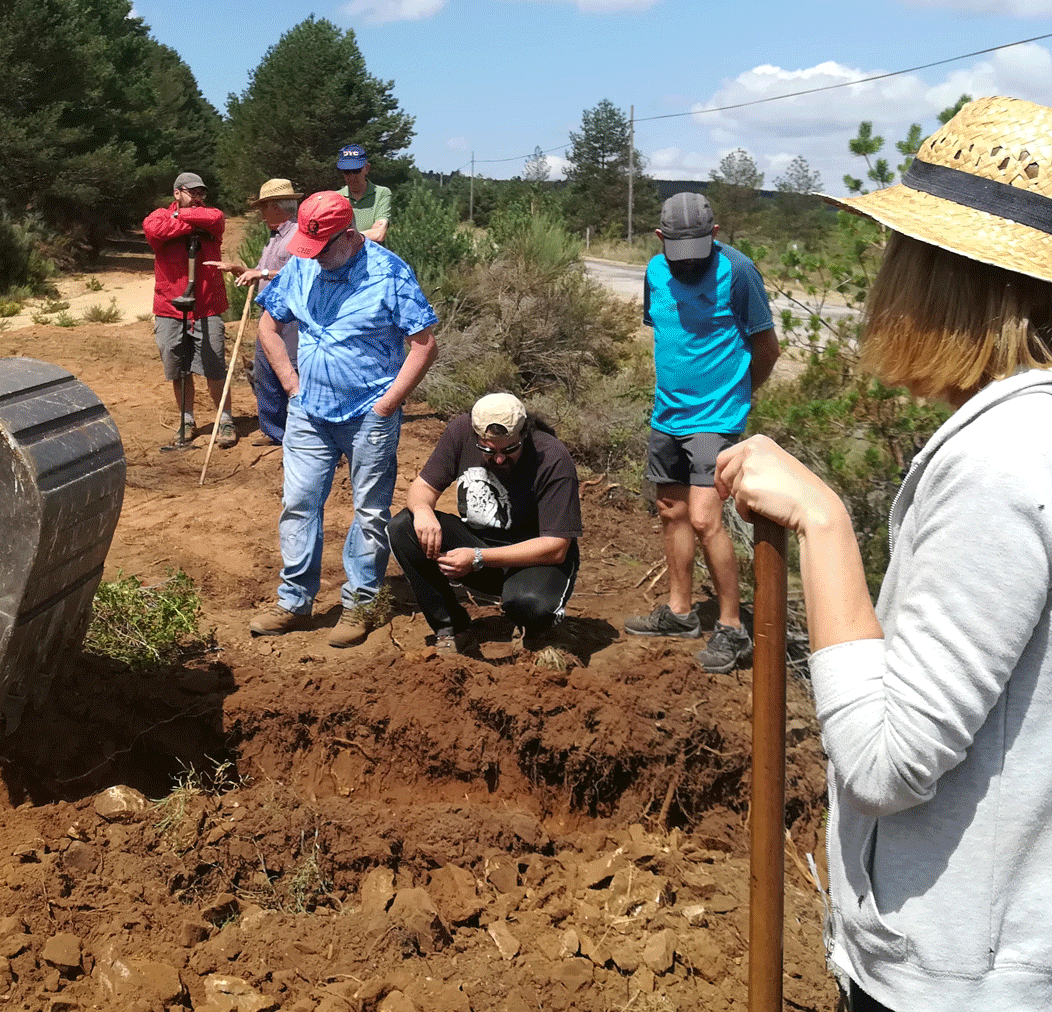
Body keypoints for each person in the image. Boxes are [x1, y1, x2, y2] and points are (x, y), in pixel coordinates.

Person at [715, 97, 1052, 1012]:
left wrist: (823, 524)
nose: (885, 277)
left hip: (953, 976)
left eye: (898, 252)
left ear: (949, 275)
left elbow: (884, 763)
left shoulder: (1007, 462)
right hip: (1046, 956)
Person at [250, 192, 438, 647]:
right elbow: (268, 326)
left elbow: (424, 343)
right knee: (298, 504)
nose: (313, 258)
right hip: (308, 411)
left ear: (349, 235)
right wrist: (292, 386)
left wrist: (388, 403)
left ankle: (361, 604)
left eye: (323, 248)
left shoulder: (389, 273)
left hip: (368, 413)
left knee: (369, 511)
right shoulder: (300, 263)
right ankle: (294, 600)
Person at [623, 191, 779, 673]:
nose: (687, 263)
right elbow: (669, 334)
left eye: (698, 249)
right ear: (659, 239)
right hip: (666, 416)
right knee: (671, 510)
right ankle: (679, 612)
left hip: (716, 420)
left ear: (714, 234)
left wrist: (736, 401)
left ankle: (731, 627)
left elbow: (767, 348)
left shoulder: (739, 271)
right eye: (676, 250)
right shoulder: (653, 271)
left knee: (707, 518)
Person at [388, 393, 581, 662]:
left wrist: (478, 558)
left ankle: (541, 631)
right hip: (479, 546)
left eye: (509, 449)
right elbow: (422, 488)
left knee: (528, 605)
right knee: (404, 527)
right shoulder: (461, 432)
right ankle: (452, 629)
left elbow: (557, 547)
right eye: (488, 450)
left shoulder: (552, 457)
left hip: (535, 559)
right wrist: (422, 511)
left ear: (524, 434)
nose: (499, 459)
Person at [141, 173, 234, 449]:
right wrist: (187, 222)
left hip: (207, 305)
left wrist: (180, 220)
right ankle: (186, 419)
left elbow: (215, 220)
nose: (198, 198)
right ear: (176, 193)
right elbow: (154, 229)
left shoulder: (212, 215)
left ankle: (225, 419)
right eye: (192, 193)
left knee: (215, 364)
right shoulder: (159, 215)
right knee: (177, 366)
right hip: (170, 306)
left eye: (201, 193)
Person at [213, 178, 301, 445]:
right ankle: (274, 432)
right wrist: (244, 270)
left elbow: (298, 272)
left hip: (292, 316)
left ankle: (301, 434)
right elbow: (266, 271)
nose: (261, 214)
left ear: (277, 206)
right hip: (269, 314)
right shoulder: (275, 238)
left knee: (292, 371)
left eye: (264, 207)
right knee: (266, 372)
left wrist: (261, 273)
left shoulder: (298, 235)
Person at [335, 144, 391, 244]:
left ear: (367, 169)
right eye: (346, 172)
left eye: (356, 171)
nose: (352, 177)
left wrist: (344, 238)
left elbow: (379, 234)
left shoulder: (381, 193)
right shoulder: (335, 198)